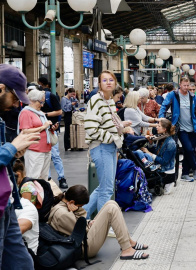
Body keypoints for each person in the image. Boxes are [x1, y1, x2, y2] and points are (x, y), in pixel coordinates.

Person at [0, 64, 41, 270]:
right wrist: (11, 148)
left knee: (23, 264)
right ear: (1, 89)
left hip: (6, 203)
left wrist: (13, 151)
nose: (17, 104)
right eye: (15, 98)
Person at [48, 185, 149, 260]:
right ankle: (126, 249)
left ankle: (128, 242)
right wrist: (79, 213)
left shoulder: (64, 204)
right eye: (81, 206)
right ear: (72, 202)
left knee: (111, 203)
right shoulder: (63, 214)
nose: (81, 208)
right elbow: (81, 232)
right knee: (111, 209)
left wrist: (88, 222)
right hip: (84, 248)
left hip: (82, 240)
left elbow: (77, 226)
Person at [83, 70, 131, 219]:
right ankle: (102, 224)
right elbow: (91, 128)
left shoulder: (109, 101)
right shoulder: (96, 100)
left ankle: (81, 216)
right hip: (102, 147)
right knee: (106, 189)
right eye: (105, 80)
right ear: (99, 84)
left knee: (104, 187)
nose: (108, 82)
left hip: (110, 147)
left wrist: (121, 126)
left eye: (111, 80)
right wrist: (111, 137)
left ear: (115, 83)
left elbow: (107, 124)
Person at [159, 77, 196, 182]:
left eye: (188, 85)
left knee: (188, 151)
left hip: (193, 128)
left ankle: (185, 174)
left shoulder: (193, 96)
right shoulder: (173, 95)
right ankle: (195, 168)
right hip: (180, 128)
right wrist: (161, 119)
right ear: (180, 84)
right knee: (189, 149)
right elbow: (164, 106)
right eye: (184, 85)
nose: (186, 88)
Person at [135, 119, 177, 195]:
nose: (156, 127)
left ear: (164, 129)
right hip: (160, 167)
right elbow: (156, 151)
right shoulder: (161, 138)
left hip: (166, 171)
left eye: (159, 126)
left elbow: (164, 161)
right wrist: (150, 143)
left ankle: (168, 183)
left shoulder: (171, 143)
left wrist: (149, 153)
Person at [18, 90, 53, 181]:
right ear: (32, 100)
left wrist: (50, 128)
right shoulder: (26, 112)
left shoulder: (39, 113)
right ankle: (33, 195)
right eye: (41, 102)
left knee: (43, 178)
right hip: (34, 149)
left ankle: (41, 195)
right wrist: (43, 127)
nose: (42, 105)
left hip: (45, 148)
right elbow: (25, 131)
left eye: (43, 102)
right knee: (33, 178)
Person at [42, 82, 68, 188]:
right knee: (45, 156)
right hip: (41, 132)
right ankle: (47, 179)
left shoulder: (49, 97)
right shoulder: (29, 105)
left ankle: (61, 178)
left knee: (55, 155)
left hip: (50, 131)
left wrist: (46, 116)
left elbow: (59, 111)